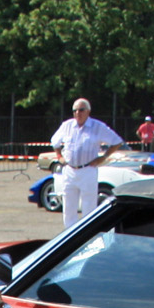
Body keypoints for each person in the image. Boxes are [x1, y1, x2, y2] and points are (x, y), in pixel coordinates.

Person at [50, 97, 124, 230]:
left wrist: (104, 157)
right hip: (70, 170)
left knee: (89, 207)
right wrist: (59, 156)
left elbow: (117, 141)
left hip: (88, 170)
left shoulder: (97, 127)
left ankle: (86, 237)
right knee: (68, 209)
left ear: (88, 111)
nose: (78, 113)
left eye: (81, 110)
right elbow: (54, 141)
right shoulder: (67, 126)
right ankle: (69, 237)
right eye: (75, 111)